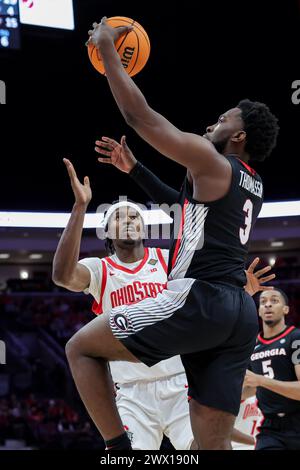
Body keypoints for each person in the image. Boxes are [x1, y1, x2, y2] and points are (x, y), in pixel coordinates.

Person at [62, 18, 279, 450]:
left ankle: (118, 450)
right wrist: (135, 169)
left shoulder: (213, 162)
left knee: (80, 348)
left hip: (201, 297)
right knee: (210, 446)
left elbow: (138, 115)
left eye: (223, 119)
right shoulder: (248, 181)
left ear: (238, 135)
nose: (213, 122)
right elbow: (184, 212)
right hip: (239, 314)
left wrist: (107, 50)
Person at [52, 159, 274, 450]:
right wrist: (80, 206)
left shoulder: (169, 260)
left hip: (180, 381)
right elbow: (62, 276)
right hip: (131, 394)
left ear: (143, 229)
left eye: (134, 217)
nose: (128, 221)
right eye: (120, 218)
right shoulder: (100, 269)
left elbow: (207, 295)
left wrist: (240, 288)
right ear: (107, 231)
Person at [244, 289, 300, 450]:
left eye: (274, 300)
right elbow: (251, 387)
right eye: (263, 302)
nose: (268, 304)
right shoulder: (252, 347)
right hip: (271, 428)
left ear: (286, 309)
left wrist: (261, 380)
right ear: (259, 311)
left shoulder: (295, 338)